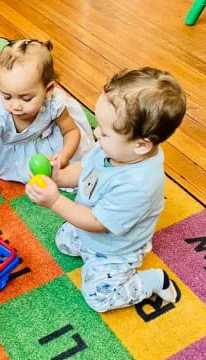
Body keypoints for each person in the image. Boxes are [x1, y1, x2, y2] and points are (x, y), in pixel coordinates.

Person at [26, 67, 186, 312]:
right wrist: (58, 176)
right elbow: (86, 168)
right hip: (89, 225)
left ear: (142, 145)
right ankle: (89, 251)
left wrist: (54, 201)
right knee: (63, 242)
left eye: (105, 131)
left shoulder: (137, 186)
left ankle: (151, 280)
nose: (96, 132)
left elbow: (97, 222)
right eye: (99, 126)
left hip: (114, 248)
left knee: (99, 299)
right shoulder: (116, 148)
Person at [0, 39, 95, 202]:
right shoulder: (1, 115)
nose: (15, 106)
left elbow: (71, 131)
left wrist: (65, 154)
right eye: (6, 96)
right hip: (10, 147)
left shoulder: (54, 104)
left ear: (48, 90)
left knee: (80, 164)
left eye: (26, 98)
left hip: (46, 137)